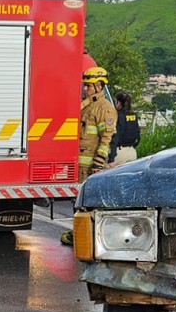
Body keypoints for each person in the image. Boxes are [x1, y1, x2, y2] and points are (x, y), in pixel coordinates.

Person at [60, 61, 117, 245]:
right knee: (79, 201)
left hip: (91, 165)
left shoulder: (104, 108)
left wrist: (98, 163)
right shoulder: (87, 106)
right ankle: (79, 233)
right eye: (84, 85)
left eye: (89, 86)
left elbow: (106, 138)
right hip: (80, 163)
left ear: (99, 86)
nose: (85, 89)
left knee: (88, 202)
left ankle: (88, 237)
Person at [111, 91, 141, 165]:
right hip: (132, 153)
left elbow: (116, 137)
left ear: (118, 102)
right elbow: (138, 135)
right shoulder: (134, 115)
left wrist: (111, 158)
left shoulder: (117, 116)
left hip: (118, 153)